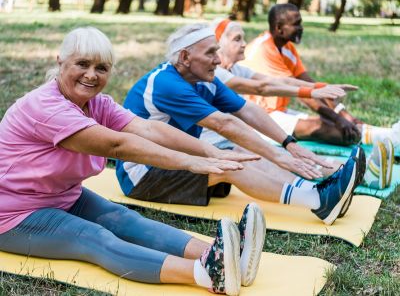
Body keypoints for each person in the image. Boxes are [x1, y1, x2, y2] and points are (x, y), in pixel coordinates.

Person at [0, 27, 269, 296]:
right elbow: (117, 145)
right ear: (61, 61)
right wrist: (189, 162)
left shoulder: (97, 104)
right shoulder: (46, 107)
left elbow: (149, 129)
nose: (92, 75)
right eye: (82, 64)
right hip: (14, 214)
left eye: (101, 68)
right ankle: (209, 274)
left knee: (125, 219)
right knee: (94, 237)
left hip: (61, 196)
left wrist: (210, 152)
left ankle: (228, 256)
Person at [117, 23, 365, 226]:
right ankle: (317, 200)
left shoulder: (204, 80)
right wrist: (279, 155)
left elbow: (247, 110)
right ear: (184, 57)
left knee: (242, 154)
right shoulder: (166, 83)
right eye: (210, 53)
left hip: (177, 161)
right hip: (143, 176)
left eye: (217, 51)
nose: (217, 59)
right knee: (229, 164)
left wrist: (288, 144)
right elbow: (224, 124)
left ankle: (318, 190)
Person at [205, 19, 394, 190]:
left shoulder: (236, 68)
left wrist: (320, 87)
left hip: (237, 136)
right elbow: (263, 87)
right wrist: (313, 91)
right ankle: (335, 187)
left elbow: (279, 82)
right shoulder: (217, 74)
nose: (244, 44)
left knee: (287, 156)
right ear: (218, 43)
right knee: (280, 158)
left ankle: (364, 175)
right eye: (237, 39)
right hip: (225, 143)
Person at [241, 3, 399, 149]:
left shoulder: (286, 47)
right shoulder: (263, 50)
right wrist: (338, 119)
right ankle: (390, 140)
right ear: (279, 28)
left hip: (276, 111)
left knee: (334, 122)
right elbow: (302, 93)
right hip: (255, 117)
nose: (301, 28)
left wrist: (344, 114)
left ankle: (389, 135)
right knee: (320, 127)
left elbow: (310, 84)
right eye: (296, 24)